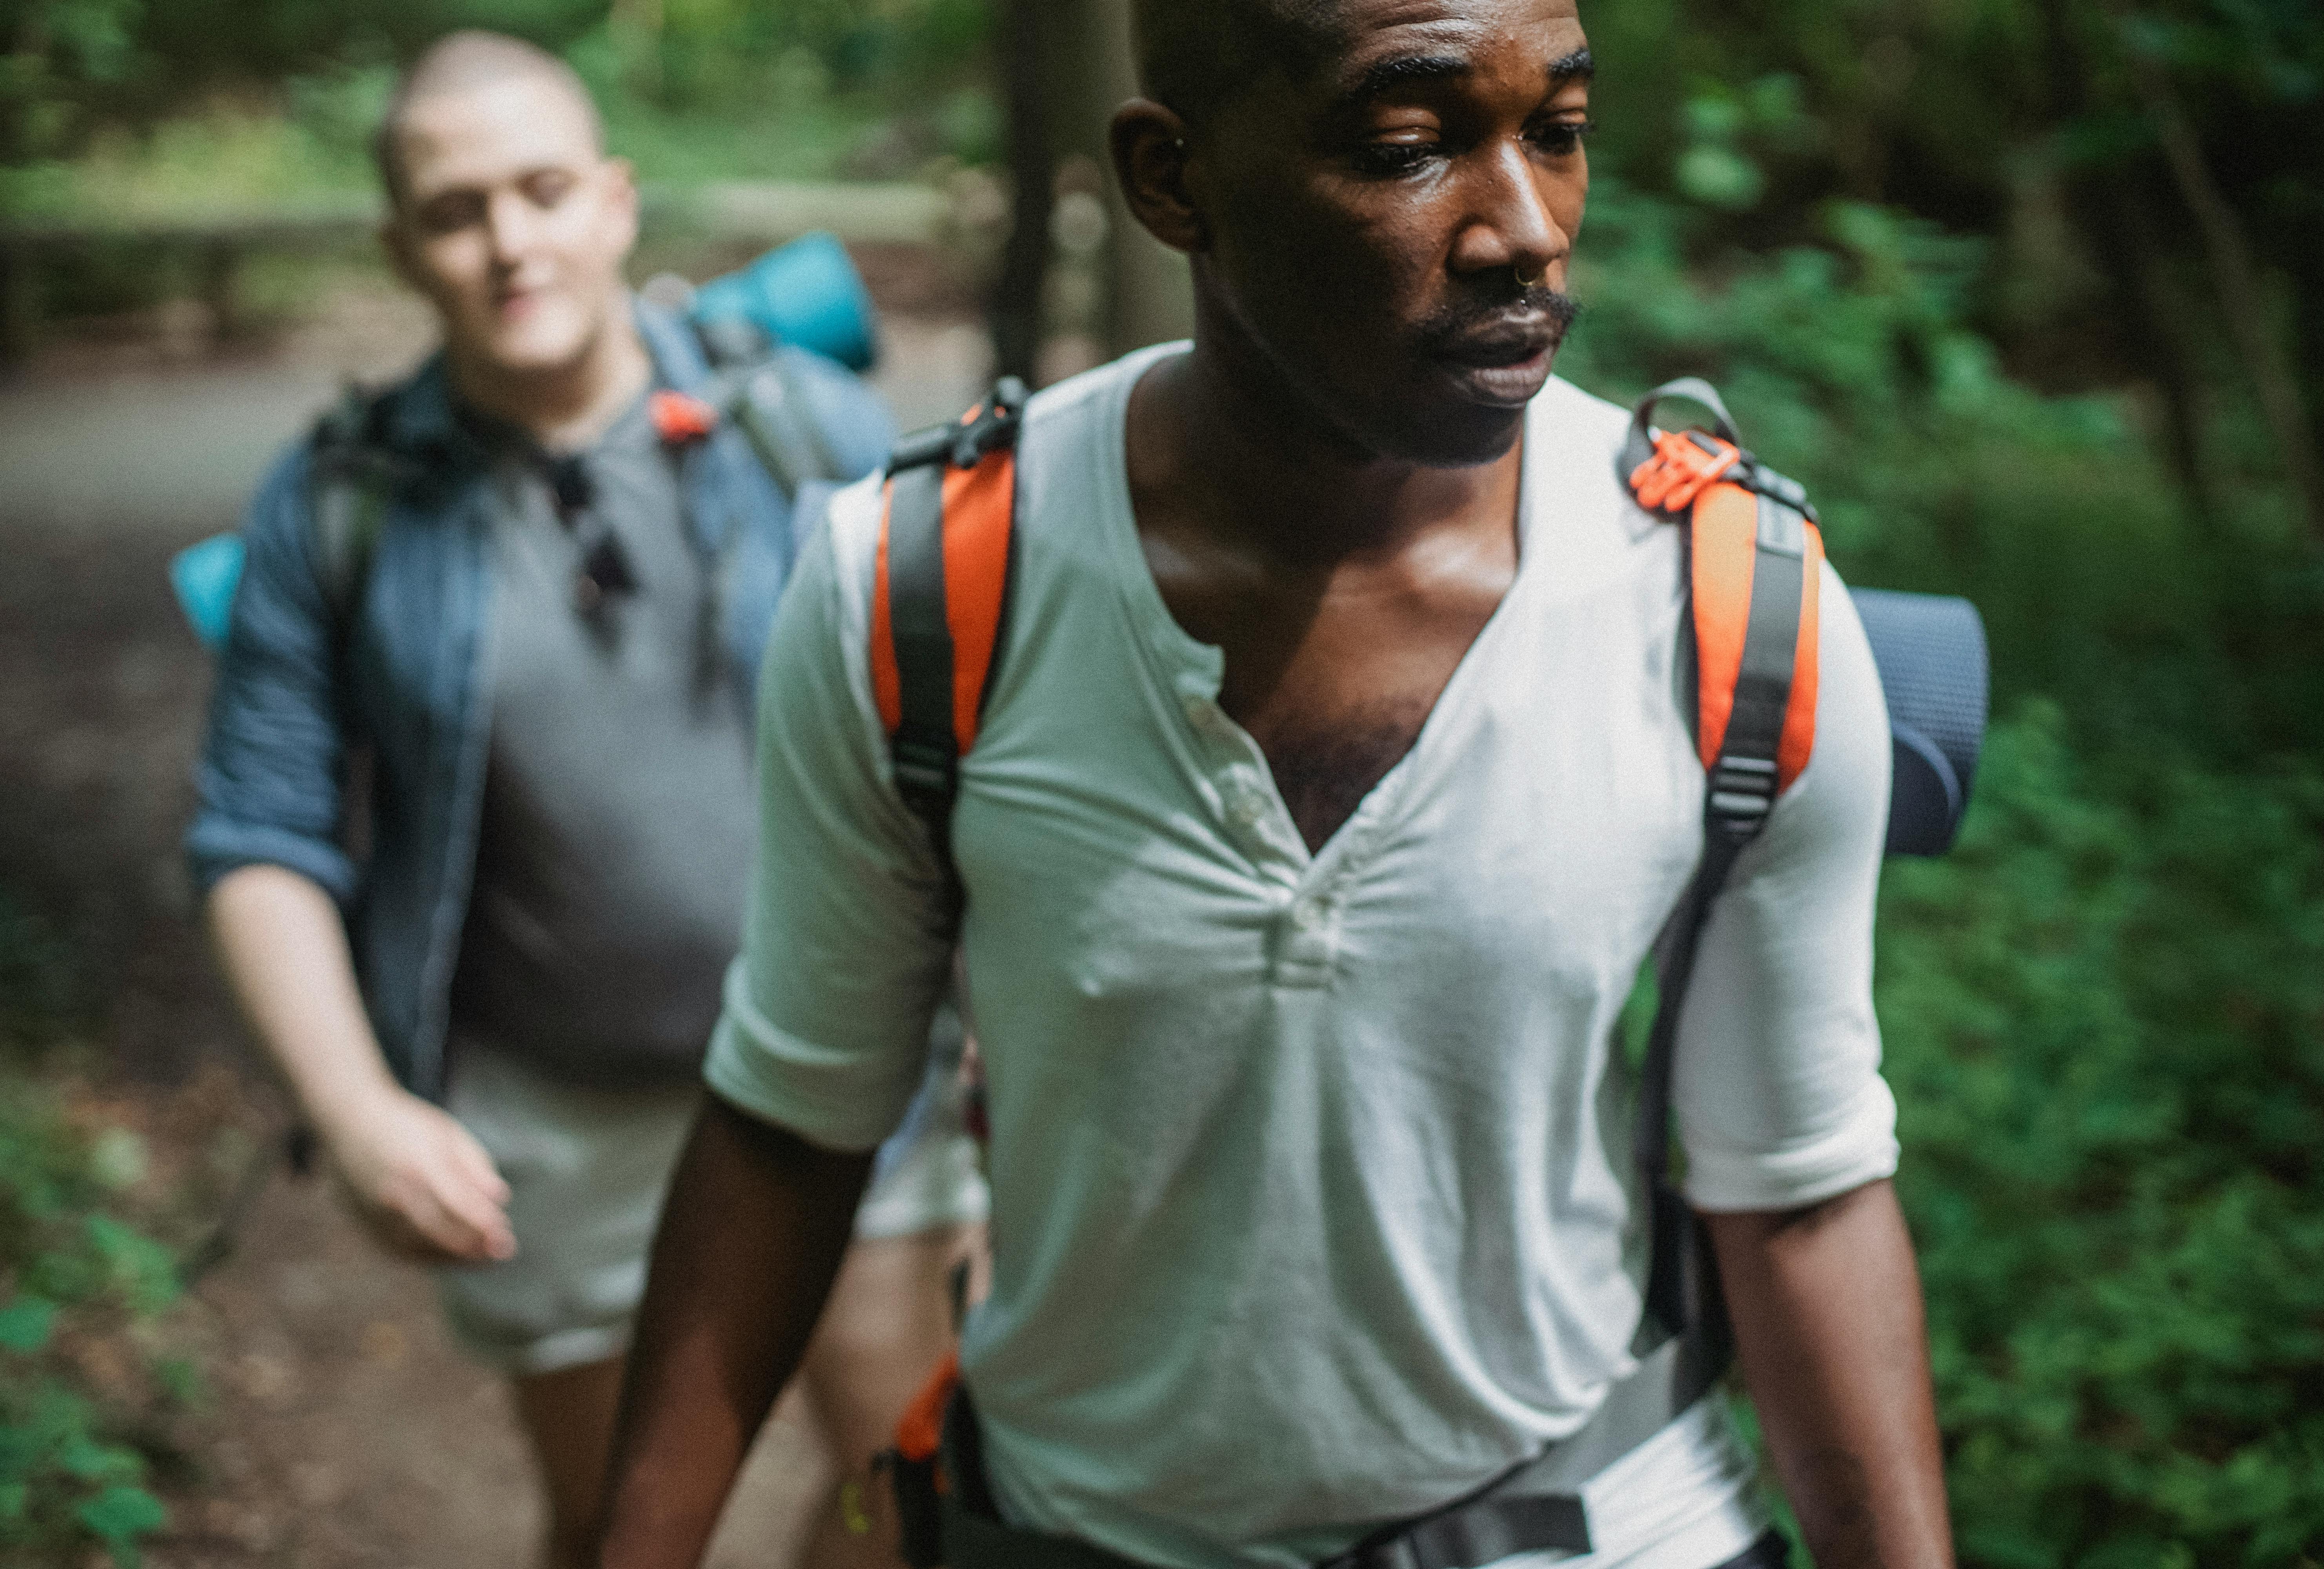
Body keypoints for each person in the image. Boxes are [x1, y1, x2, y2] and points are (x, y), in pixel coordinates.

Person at [595, 0, 1958, 1563]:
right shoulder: (920, 594)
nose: (1527, 230)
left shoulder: (1726, 606)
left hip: (1602, 1520)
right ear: (1174, 181)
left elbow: (1798, 1189)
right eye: (1409, 147)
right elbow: (790, 1124)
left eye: (1561, 133)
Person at [185, 32, 985, 1569]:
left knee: (915, 1503)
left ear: (615, 200)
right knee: (626, 1531)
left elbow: (964, 742)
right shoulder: (340, 501)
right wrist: (356, 1111)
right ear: (401, 244)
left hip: (853, 1072)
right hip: (557, 1121)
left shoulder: (803, 429)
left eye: (544, 190)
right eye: (457, 207)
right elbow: (262, 829)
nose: (511, 244)